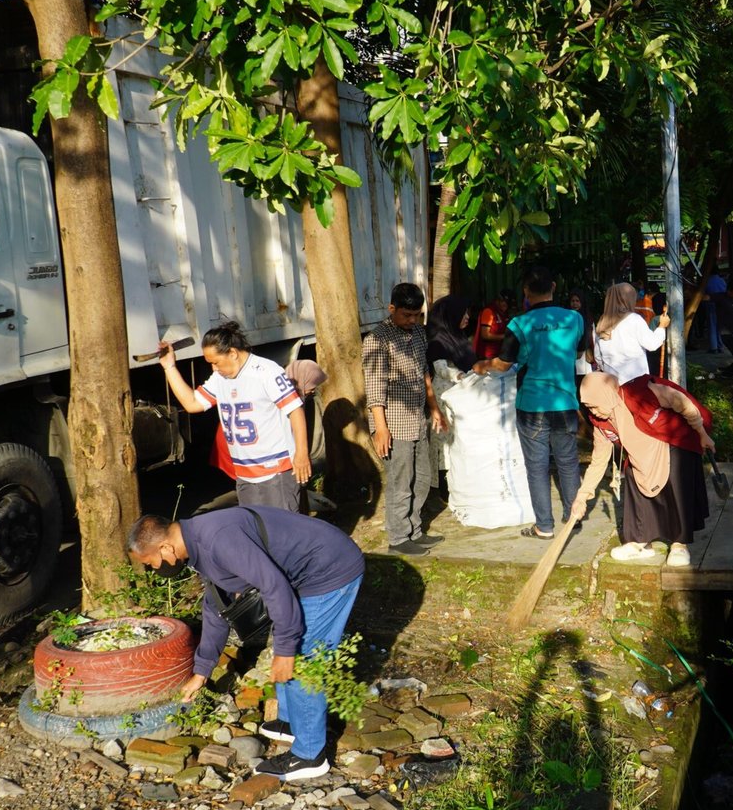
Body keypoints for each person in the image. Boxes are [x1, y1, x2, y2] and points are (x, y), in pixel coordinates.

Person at [126, 506, 364, 782]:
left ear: (166, 548)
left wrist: (286, 649)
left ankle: (310, 755)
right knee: (288, 647)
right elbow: (215, 607)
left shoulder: (219, 539)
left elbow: (274, 587)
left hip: (329, 568)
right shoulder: (196, 543)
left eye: (150, 563)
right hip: (303, 572)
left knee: (301, 659)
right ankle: (292, 722)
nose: (153, 569)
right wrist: (202, 671)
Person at [473, 266, 588, 538]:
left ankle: (544, 526)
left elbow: (503, 364)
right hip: (565, 401)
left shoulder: (519, 324)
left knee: (537, 467)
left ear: (526, 291)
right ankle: (573, 518)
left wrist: (483, 365)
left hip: (532, 405)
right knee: (568, 461)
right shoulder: (574, 318)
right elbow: (579, 352)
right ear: (554, 287)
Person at [159, 322, 310, 513]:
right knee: (254, 527)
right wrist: (169, 367)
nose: (213, 368)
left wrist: (301, 454)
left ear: (232, 353)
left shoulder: (266, 372)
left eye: (216, 362)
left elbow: (295, 410)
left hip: (275, 472)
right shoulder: (220, 378)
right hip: (245, 475)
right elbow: (193, 403)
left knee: (281, 529)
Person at [571, 373, 713, 566]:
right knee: (633, 480)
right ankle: (640, 543)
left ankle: (679, 545)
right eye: (589, 407)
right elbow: (598, 461)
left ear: (608, 395)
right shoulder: (602, 423)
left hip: (673, 442)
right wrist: (582, 497)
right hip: (640, 456)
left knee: (677, 488)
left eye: (595, 405)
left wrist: (702, 433)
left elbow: (680, 401)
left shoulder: (641, 393)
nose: (593, 412)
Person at [364, 283, 448, 556]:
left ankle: (414, 530)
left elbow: (424, 373)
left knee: (422, 478)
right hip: (393, 424)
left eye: (417, 315)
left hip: (417, 419)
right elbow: (375, 387)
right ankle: (398, 538)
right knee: (401, 481)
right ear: (392, 309)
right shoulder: (377, 340)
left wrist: (434, 408)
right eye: (406, 315)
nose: (412, 320)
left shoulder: (419, 333)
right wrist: (381, 429)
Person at [593, 282, 670, 382]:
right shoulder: (634, 319)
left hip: (612, 383)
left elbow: (598, 357)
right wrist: (661, 327)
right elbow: (652, 344)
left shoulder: (602, 322)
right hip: (635, 382)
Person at [427, 295, 477, 374]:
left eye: (467, 313)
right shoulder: (438, 342)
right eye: (463, 313)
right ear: (451, 315)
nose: (467, 317)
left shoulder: (459, 335)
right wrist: (462, 376)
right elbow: (443, 370)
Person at [474, 289, 514, 360]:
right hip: (487, 356)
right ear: (499, 300)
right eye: (505, 303)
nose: (506, 306)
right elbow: (485, 335)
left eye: (508, 304)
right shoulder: (489, 311)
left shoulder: (503, 312)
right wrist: (505, 336)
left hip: (498, 354)